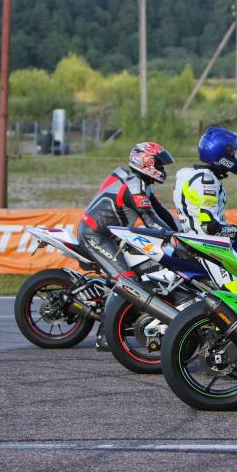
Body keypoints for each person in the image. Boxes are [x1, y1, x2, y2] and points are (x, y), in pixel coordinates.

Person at [78, 142, 179, 350]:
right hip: (96, 234)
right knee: (127, 281)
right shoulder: (134, 186)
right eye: (159, 165)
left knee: (140, 270)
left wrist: (180, 232)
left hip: (113, 234)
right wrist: (173, 238)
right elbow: (150, 220)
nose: (162, 169)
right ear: (146, 163)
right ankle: (105, 334)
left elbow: (161, 212)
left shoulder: (140, 183)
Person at [173, 127, 237, 241]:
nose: (235, 158)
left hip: (192, 239)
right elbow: (210, 227)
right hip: (207, 245)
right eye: (233, 153)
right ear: (221, 155)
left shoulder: (186, 174)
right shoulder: (207, 180)